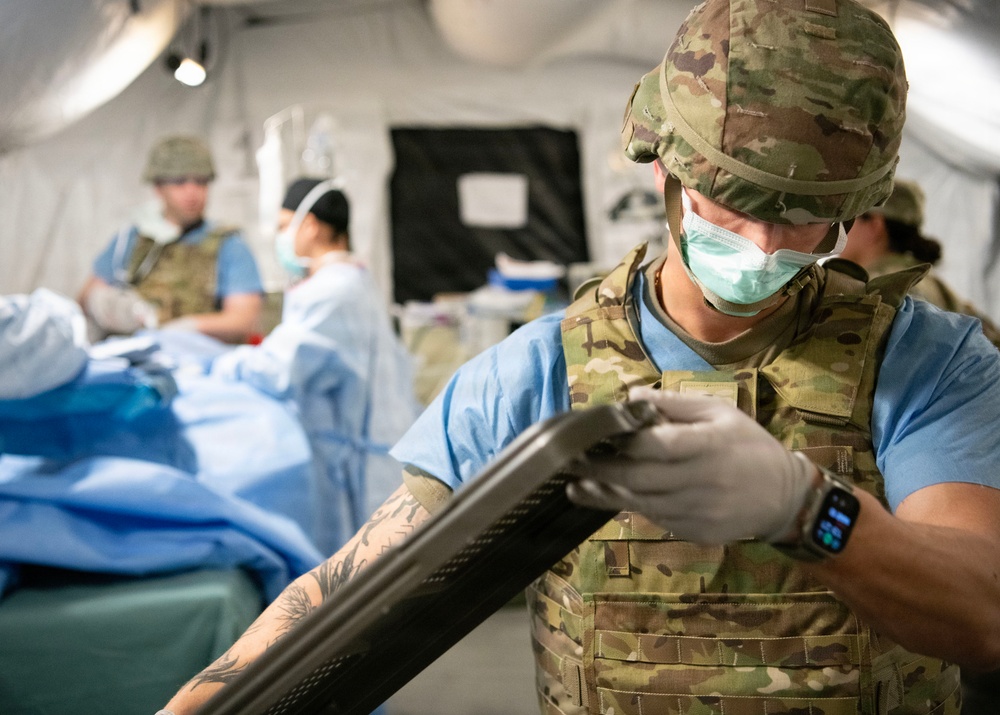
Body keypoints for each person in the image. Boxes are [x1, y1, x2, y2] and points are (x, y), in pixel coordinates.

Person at [161, 1, 1000, 713]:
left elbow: (985, 608)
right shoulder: (535, 373)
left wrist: (807, 508)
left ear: (856, 210)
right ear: (665, 167)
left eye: (804, 218)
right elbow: (350, 593)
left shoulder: (927, 364)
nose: (762, 243)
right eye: (732, 202)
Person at [210, 178, 421, 555]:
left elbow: (278, 370)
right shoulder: (353, 278)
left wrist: (216, 365)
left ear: (310, 226)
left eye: (282, 226)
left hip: (358, 472)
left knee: (357, 579)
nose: (280, 239)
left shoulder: (332, 291)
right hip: (371, 455)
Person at [77, 135, 264, 344]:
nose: (192, 192)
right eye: (179, 182)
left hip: (197, 363)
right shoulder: (131, 239)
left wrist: (191, 326)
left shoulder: (228, 244)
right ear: (158, 187)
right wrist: (106, 304)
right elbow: (85, 296)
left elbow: (243, 320)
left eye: (201, 182)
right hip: (131, 358)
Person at [840, 178, 1000, 347]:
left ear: (874, 225)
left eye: (847, 220)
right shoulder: (932, 283)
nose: (838, 230)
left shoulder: (883, 286)